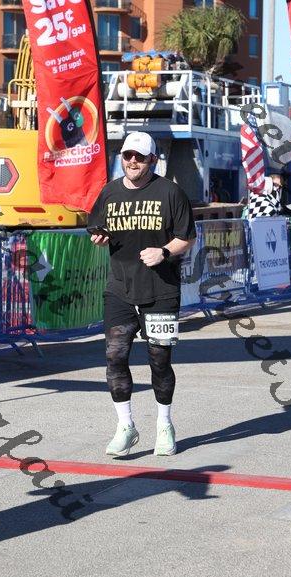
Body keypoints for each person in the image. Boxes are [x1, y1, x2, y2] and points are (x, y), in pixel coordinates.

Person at [88, 131, 196, 457]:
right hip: (119, 289)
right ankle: (125, 426)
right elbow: (97, 227)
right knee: (114, 356)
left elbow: (187, 237)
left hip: (162, 291)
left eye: (139, 157)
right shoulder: (109, 192)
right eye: (127, 156)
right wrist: (99, 237)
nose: (132, 162)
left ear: (152, 159)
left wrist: (164, 252)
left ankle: (164, 424)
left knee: (159, 360)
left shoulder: (170, 192)